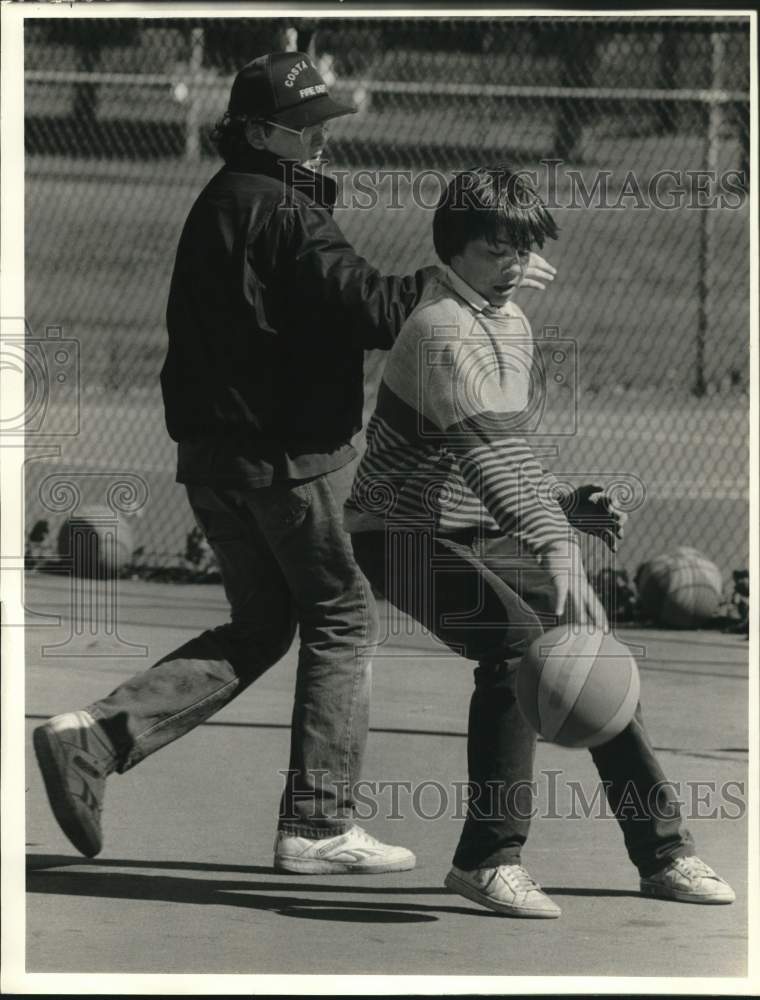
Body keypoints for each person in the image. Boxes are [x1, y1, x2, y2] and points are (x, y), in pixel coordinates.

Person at [32, 53, 561, 873]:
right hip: (285, 462)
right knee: (345, 617)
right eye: (305, 126)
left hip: (211, 461)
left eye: (325, 122)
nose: (321, 138)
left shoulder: (220, 202)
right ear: (255, 130)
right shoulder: (283, 212)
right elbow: (368, 305)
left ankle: (96, 736)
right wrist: (464, 279)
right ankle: (317, 825)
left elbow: (311, 310)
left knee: (262, 624)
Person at [344, 164, 736, 915]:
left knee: (590, 647)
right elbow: (488, 457)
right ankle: (487, 859)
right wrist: (558, 546)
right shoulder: (437, 329)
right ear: (455, 251)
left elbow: (506, 450)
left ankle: (664, 853)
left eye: (525, 250)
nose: (517, 267)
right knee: (519, 646)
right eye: (499, 250)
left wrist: (563, 502)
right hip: (396, 533)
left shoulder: (509, 321)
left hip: (476, 529)